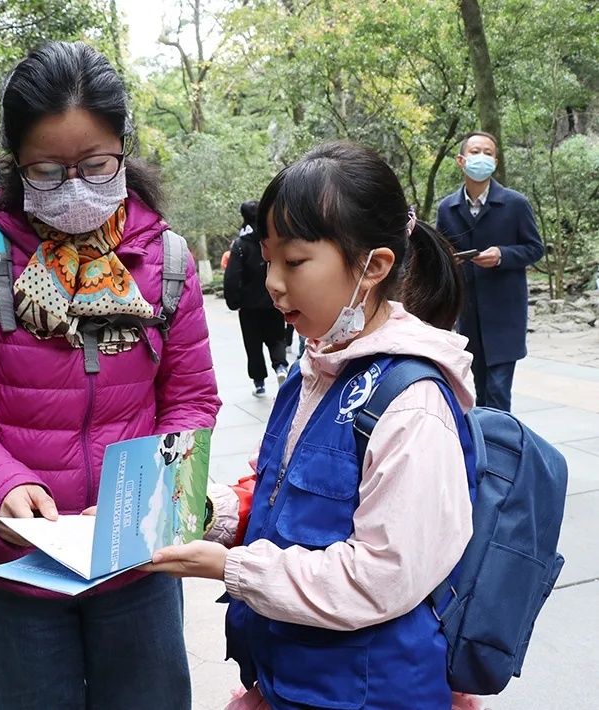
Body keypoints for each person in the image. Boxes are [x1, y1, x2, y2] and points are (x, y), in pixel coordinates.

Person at [0, 41, 220, 710]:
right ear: (16, 161)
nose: (74, 187)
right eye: (48, 170)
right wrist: (1, 485)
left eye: (95, 164)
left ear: (123, 148)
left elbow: (190, 396)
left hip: (134, 560)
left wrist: (165, 498)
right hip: (10, 569)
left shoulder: (163, 258)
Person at [147, 141, 485, 710]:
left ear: (373, 267)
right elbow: (281, 494)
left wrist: (232, 568)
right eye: (267, 257)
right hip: (298, 679)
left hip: (369, 691)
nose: (273, 282)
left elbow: (381, 576)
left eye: (295, 262)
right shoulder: (316, 370)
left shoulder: (412, 406)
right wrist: (193, 512)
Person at [437, 131, 544, 411]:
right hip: (468, 314)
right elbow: (439, 256)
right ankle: (487, 446)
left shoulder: (515, 204)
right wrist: (449, 259)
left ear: (495, 161)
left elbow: (535, 248)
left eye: (488, 152)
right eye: (475, 152)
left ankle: (501, 450)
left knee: (498, 392)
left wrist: (502, 255)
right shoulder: (447, 208)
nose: (481, 157)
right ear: (461, 160)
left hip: (505, 314)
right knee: (481, 391)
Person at [224, 200, 288, 396]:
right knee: (277, 338)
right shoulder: (274, 242)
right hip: (274, 302)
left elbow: (233, 276)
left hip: (249, 307)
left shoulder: (241, 246)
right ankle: (280, 367)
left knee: (253, 345)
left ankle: (259, 383)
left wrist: (234, 301)